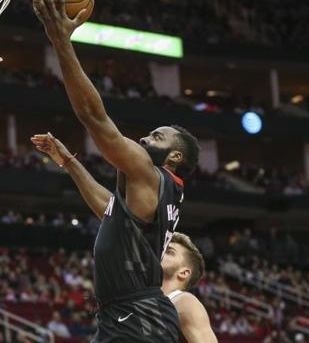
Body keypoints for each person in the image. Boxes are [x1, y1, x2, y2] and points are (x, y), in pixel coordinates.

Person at [31, 130, 198, 342]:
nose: (163, 250)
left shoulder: (184, 301)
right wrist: (68, 161)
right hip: (119, 315)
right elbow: (110, 210)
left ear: (185, 273)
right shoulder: (154, 204)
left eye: (170, 250)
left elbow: (98, 122)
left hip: (142, 317)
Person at [160, 233, 218, 343]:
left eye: (169, 252)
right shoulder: (139, 299)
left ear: (183, 272)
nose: (160, 253)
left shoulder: (184, 301)